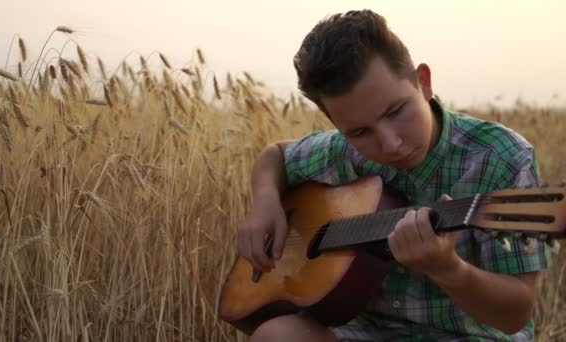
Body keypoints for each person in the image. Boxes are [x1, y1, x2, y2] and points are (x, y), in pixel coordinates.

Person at [236, 9, 552, 342]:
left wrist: (448, 269)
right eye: (359, 131)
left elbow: (516, 314)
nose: (390, 143)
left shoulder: (501, 157)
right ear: (338, 127)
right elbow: (276, 155)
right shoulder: (338, 152)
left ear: (424, 82)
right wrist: (265, 203)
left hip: (471, 335)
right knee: (276, 335)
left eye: (396, 111)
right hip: (365, 333)